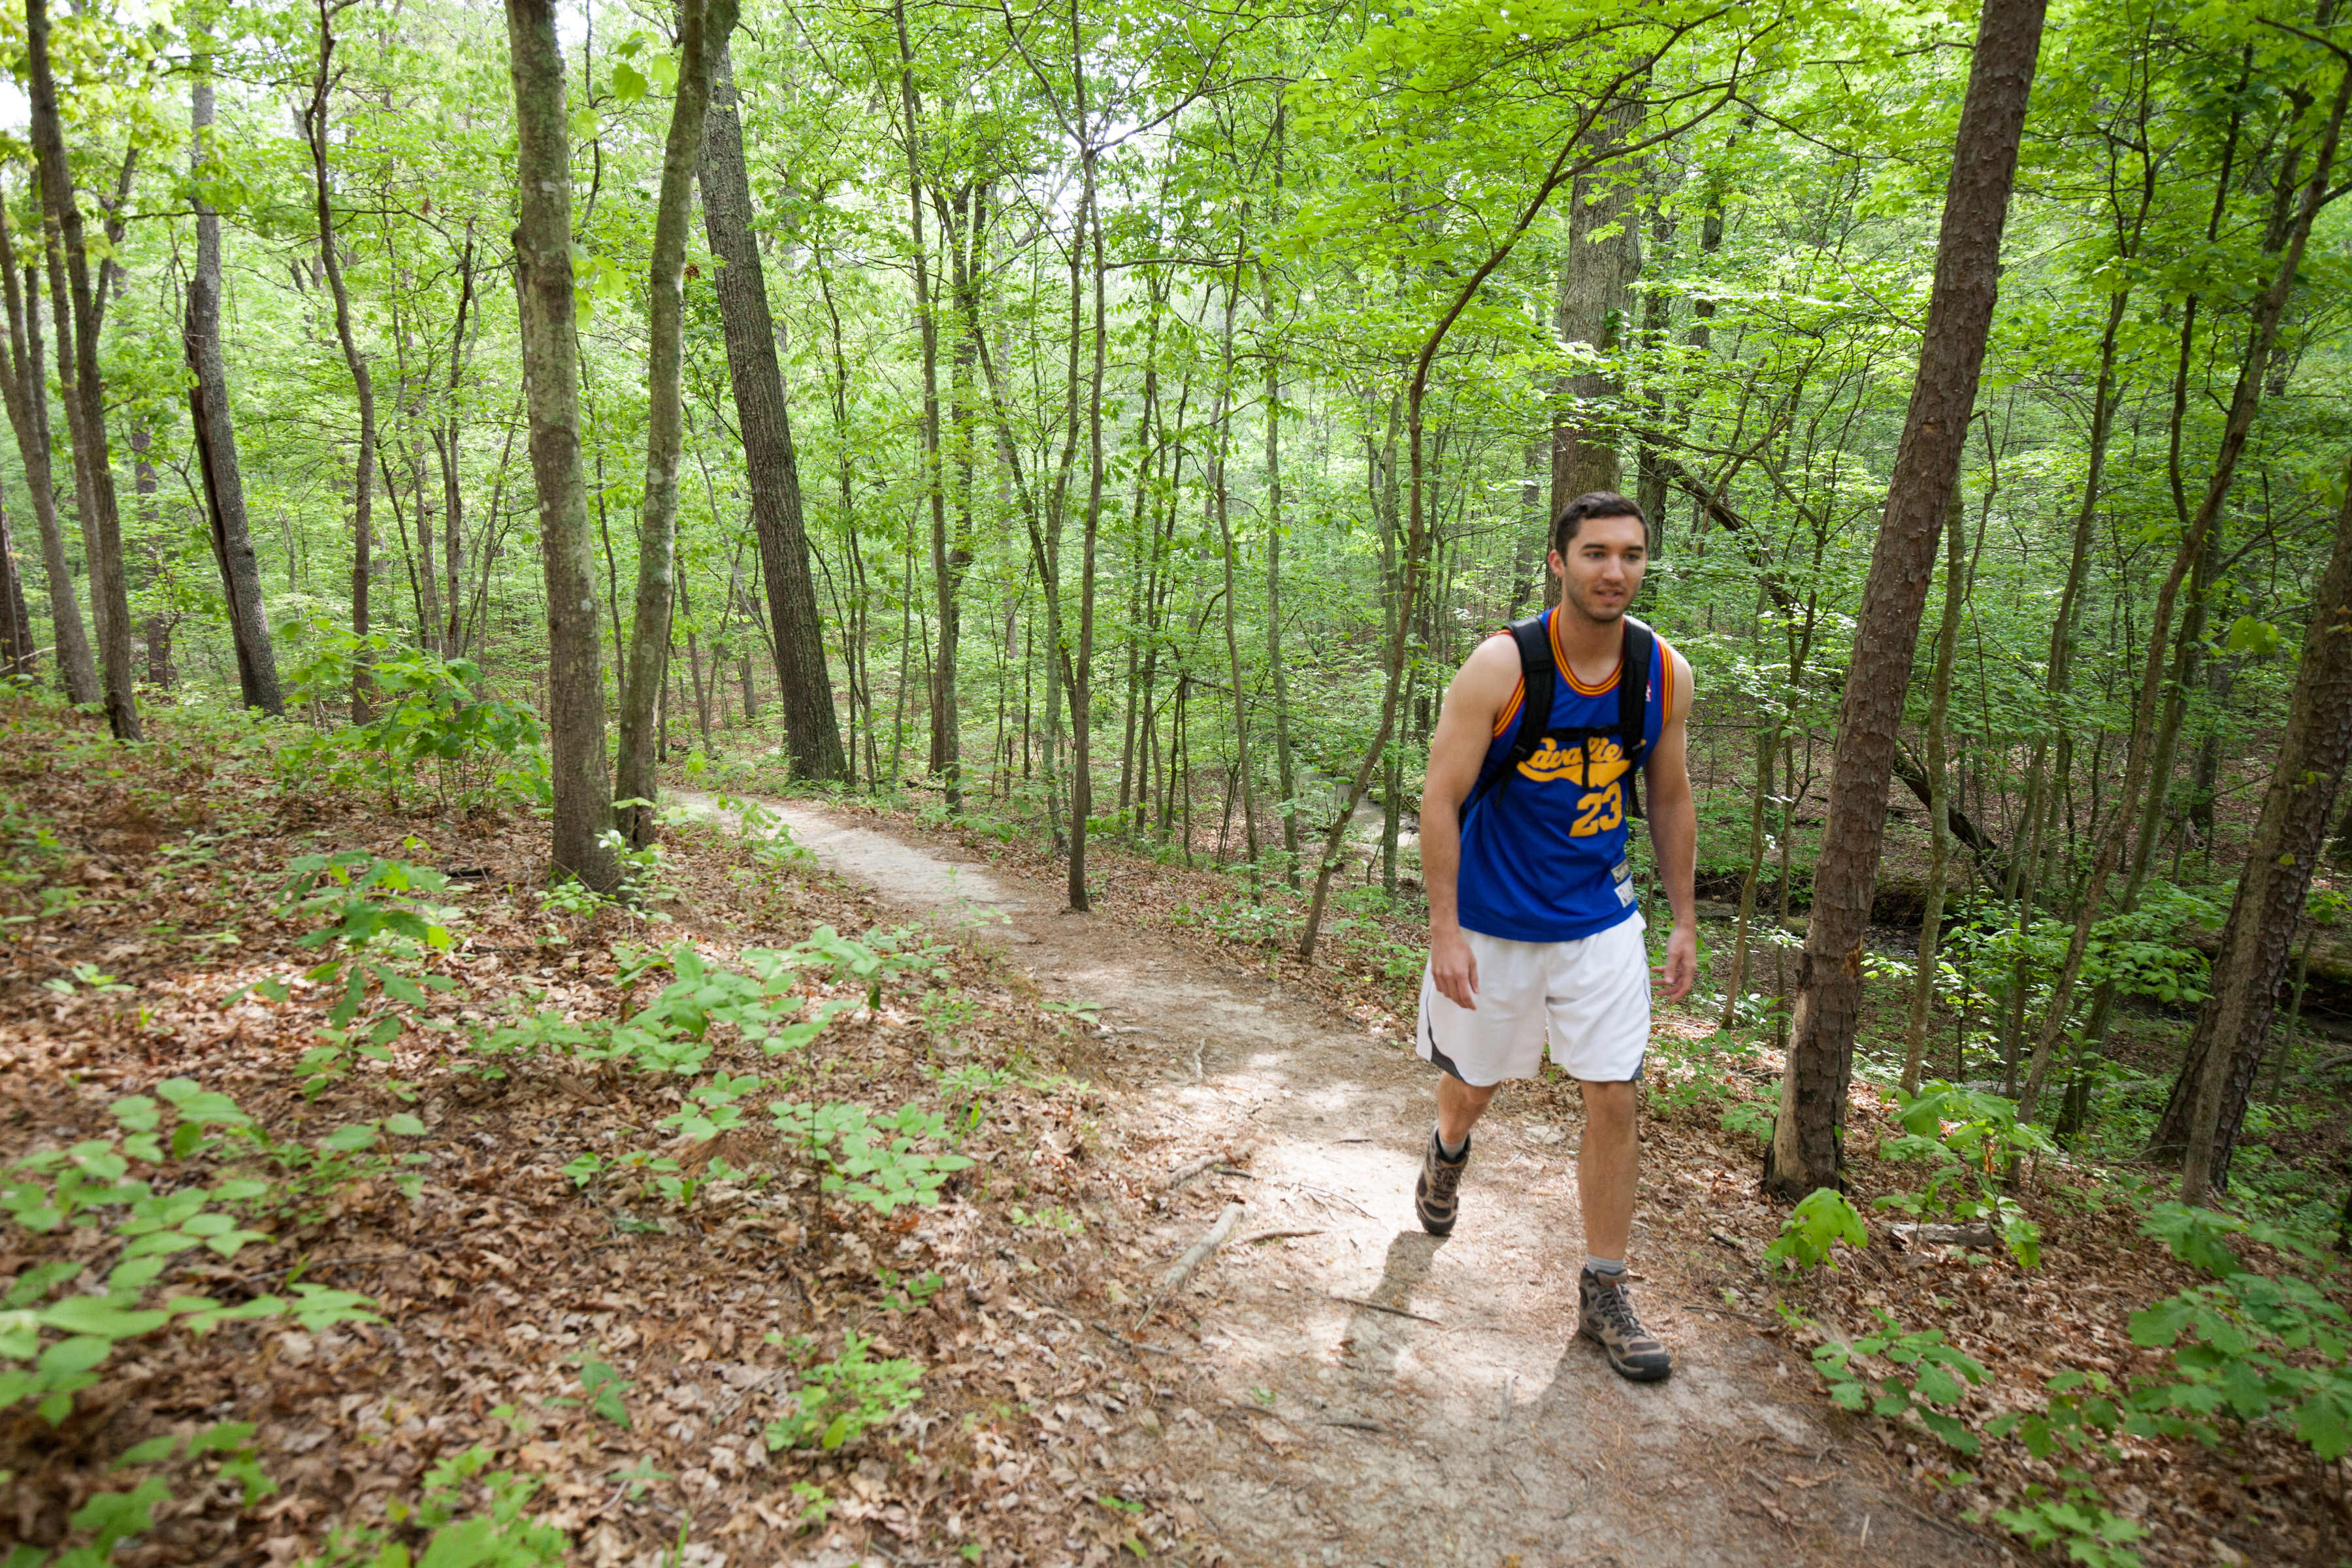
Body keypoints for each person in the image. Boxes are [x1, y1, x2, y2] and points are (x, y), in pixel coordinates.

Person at [1411, 489, 1697, 1382]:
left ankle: (1603, 1289)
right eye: (1597, 553)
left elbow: (1671, 795)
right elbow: (1440, 797)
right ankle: (1448, 1150)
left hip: (1600, 918)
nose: (1616, 571)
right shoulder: (1501, 667)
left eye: (1632, 555)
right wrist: (1445, 927)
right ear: (1558, 562)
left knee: (1614, 1092)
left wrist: (1685, 918)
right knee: (1475, 1088)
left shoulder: (1661, 672)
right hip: (1493, 921)